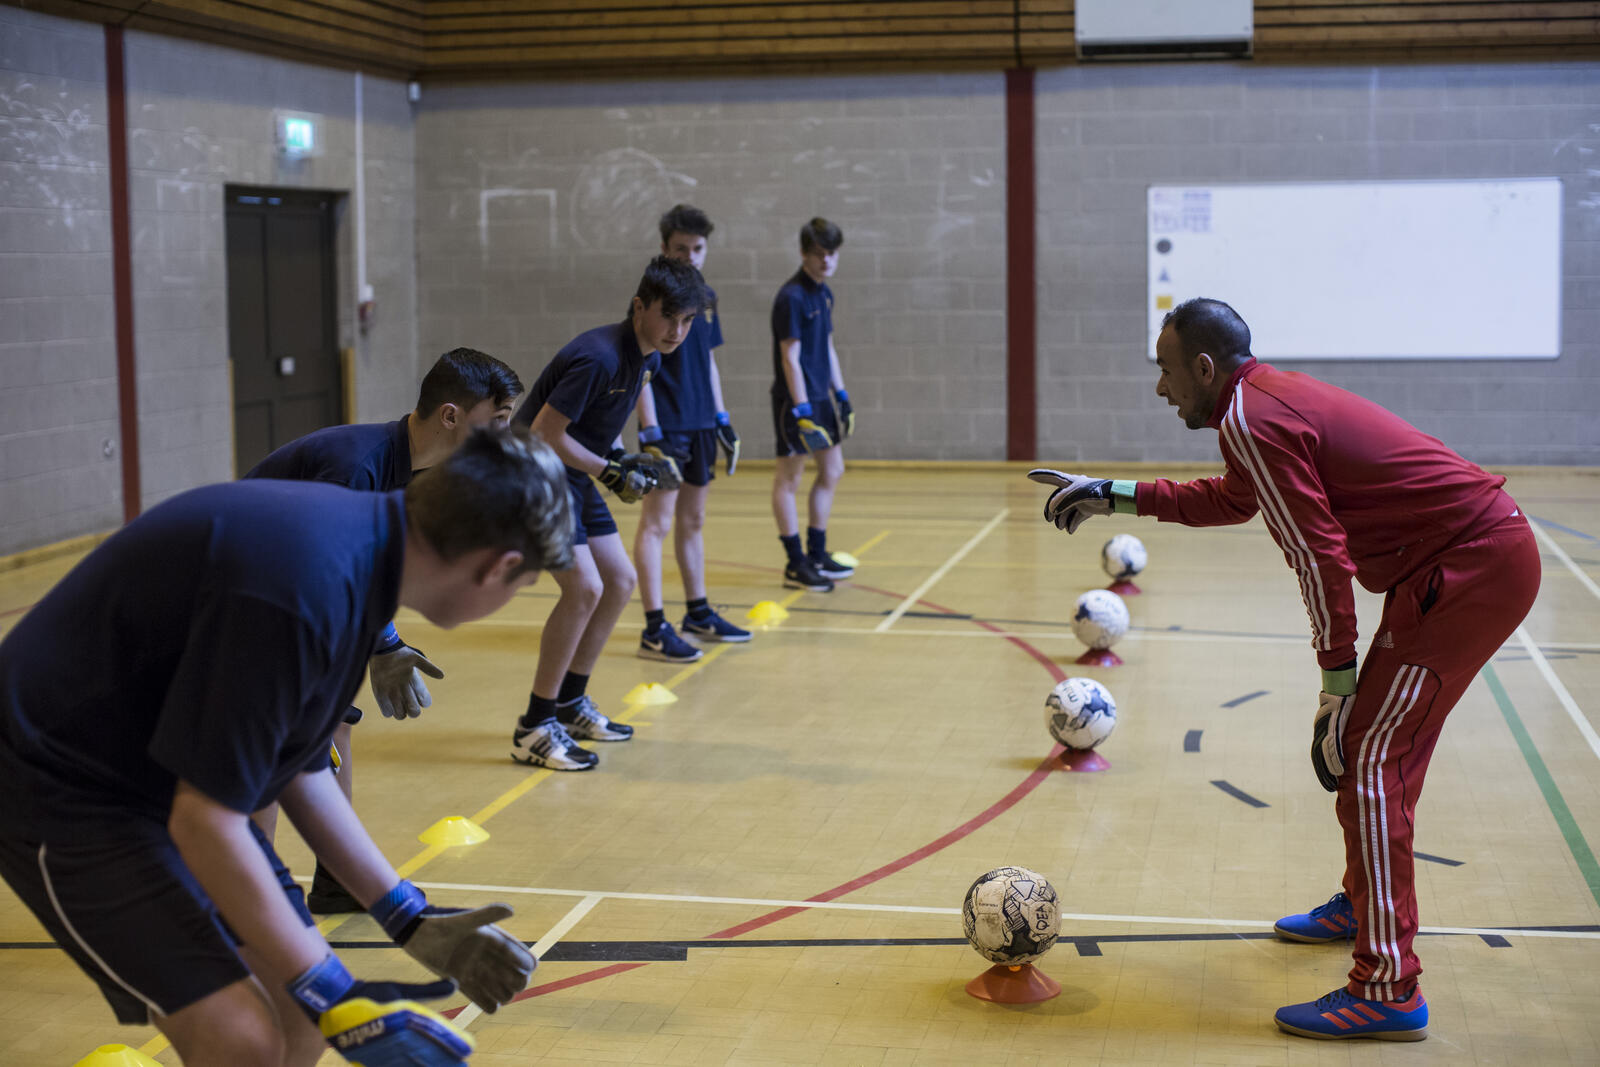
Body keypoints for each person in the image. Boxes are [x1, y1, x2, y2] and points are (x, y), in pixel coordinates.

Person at [1028, 297, 1540, 1042]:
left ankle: (1389, 987)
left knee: (1368, 757)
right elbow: (1235, 501)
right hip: (1455, 563)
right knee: (1382, 752)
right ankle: (1366, 904)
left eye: (1167, 372)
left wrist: (1335, 687)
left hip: (1468, 568)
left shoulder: (1251, 420)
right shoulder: (1260, 406)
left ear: (1205, 368)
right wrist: (1114, 493)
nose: (1162, 389)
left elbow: (1318, 556)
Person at [0, 426, 571, 1067]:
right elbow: (205, 819)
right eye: (524, 587)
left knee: (299, 1020)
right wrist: (337, 992)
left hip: (159, 769)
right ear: (501, 567)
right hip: (61, 782)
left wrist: (407, 917)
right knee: (241, 1037)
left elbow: (296, 761)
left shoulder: (365, 555)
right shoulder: (306, 586)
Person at [244, 347, 524, 914]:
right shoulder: (358, 467)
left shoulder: (421, 469)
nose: (504, 434)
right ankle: (252, 899)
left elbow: (370, 563)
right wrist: (384, 643)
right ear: (450, 417)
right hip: (250, 590)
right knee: (273, 743)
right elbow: (331, 564)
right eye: (495, 421)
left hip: (300, 593)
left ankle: (336, 881)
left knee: (333, 729)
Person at [509, 255, 707, 770]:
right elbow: (544, 435)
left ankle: (572, 704)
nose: (678, 331)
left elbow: (603, 420)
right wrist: (607, 471)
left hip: (572, 473)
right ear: (640, 306)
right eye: (669, 317)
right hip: (536, 473)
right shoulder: (598, 356)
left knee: (619, 582)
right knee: (585, 589)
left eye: (688, 321)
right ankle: (534, 725)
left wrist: (616, 458)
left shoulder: (648, 360)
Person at [631, 204, 751, 663]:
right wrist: (651, 430)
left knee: (693, 521)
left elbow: (710, 362)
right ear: (665, 249)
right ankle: (654, 628)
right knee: (656, 523)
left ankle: (698, 612)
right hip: (668, 428)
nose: (690, 256)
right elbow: (641, 367)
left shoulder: (708, 299)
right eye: (681, 248)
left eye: (698, 249)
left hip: (702, 424)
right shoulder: (650, 301)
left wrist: (722, 417)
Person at [770, 216, 857, 593]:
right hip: (797, 402)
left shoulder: (824, 293)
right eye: (819, 254)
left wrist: (841, 394)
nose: (826, 261)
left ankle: (817, 553)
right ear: (804, 254)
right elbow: (790, 356)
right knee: (789, 479)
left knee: (832, 470)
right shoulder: (792, 297)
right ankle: (794, 563)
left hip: (822, 397)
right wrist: (801, 410)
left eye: (832, 254)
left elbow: (828, 347)